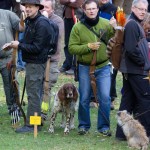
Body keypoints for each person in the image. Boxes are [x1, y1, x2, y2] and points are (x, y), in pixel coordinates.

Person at [7, 0, 54, 133]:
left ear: (37, 8)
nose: (27, 9)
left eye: (30, 7)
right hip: (31, 62)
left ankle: (32, 125)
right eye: (26, 7)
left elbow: (38, 47)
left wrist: (19, 45)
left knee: (33, 95)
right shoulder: (30, 21)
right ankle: (35, 121)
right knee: (33, 93)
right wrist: (17, 42)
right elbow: (29, 41)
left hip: (36, 63)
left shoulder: (42, 24)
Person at [69, 0, 114, 136]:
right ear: (84, 9)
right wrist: (88, 47)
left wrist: (117, 28)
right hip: (84, 67)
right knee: (84, 98)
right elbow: (71, 48)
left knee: (105, 97)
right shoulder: (77, 27)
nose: (92, 11)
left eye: (94, 8)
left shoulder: (106, 24)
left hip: (104, 66)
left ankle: (104, 127)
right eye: (89, 9)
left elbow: (117, 42)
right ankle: (83, 125)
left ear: (98, 9)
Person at [110, 0, 150, 140]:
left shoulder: (134, 22)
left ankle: (121, 135)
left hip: (132, 70)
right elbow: (132, 49)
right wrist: (144, 63)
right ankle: (146, 134)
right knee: (145, 100)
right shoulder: (132, 24)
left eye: (145, 9)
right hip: (137, 70)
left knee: (127, 102)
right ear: (133, 8)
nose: (143, 11)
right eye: (140, 9)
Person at [40, 0, 64, 117]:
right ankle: (34, 112)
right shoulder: (35, 18)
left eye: (47, 7)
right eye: (42, 7)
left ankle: (43, 113)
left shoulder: (58, 21)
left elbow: (53, 36)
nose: (43, 9)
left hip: (52, 60)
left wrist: (44, 20)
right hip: (38, 59)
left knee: (46, 87)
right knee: (36, 87)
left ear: (52, 9)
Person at [0, 8, 23, 114]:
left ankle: (13, 107)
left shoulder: (7, 14)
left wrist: (24, 15)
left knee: (10, 83)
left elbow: (21, 27)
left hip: (7, 58)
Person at [99, 0, 117, 110]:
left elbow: (119, 27)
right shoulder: (93, 8)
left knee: (112, 73)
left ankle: (111, 98)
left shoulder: (114, 9)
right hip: (97, 44)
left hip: (111, 45)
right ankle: (94, 97)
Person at [59, 0, 84, 75]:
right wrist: (70, 1)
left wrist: (68, 2)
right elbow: (61, 1)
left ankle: (75, 65)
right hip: (67, 18)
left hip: (76, 18)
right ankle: (67, 63)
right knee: (67, 43)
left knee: (76, 43)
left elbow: (78, 4)